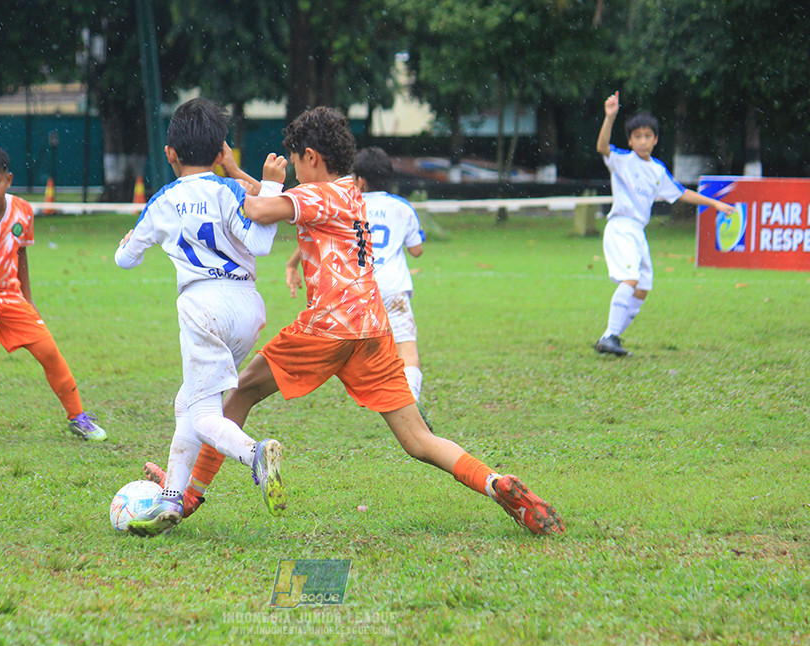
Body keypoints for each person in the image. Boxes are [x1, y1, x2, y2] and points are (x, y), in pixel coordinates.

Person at [152, 107, 564, 536]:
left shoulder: (314, 196)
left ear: (310, 157)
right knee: (418, 440)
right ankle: (496, 483)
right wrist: (236, 170)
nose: (291, 169)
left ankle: (188, 496)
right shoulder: (349, 192)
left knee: (238, 394)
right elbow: (278, 202)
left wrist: (218, 182)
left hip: (328, 327)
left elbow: (257, 210)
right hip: (373, 331)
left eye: (293, 161)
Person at [113, 98, 288, 537]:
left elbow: (125, 260)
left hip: (202, 307)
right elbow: (263, 243)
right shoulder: (230, 191)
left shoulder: (163, 200)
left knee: (204, 411)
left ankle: (255, 452)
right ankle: (171, 499)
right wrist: (267, 188)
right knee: (186, 403)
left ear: (170, 153)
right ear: (219, 153)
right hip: (247, 306)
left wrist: (128, 242)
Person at [0, 145, 106, 448]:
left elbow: (21, 255)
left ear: (8, 179)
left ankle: (78, 417)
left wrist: (28, 299)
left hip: (10, 295)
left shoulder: (22, 210)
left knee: (49, 351)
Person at [594, 91, 735, 357]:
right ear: (630, 140)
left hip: (638, 231)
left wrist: (715, 204)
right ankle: (610, 335)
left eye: (648, 136)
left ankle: (609, 337)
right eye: (637, 136)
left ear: (656, 139)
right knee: (631, 279)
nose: (643, 141)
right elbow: (603, 147)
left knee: (643, 286)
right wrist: (609, 117)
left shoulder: (658, 170)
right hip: (621, 227)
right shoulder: (623, 160)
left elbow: (682, 193)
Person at [285, 146, 427, 406]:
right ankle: (412, 398)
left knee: (357, 347)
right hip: (393, 287)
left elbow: (319, 235)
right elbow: (416, 250)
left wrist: (292, 264)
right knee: (406, 346)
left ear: (359, 180)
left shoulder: (350, 202)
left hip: (359, 286)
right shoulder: (402, 207)